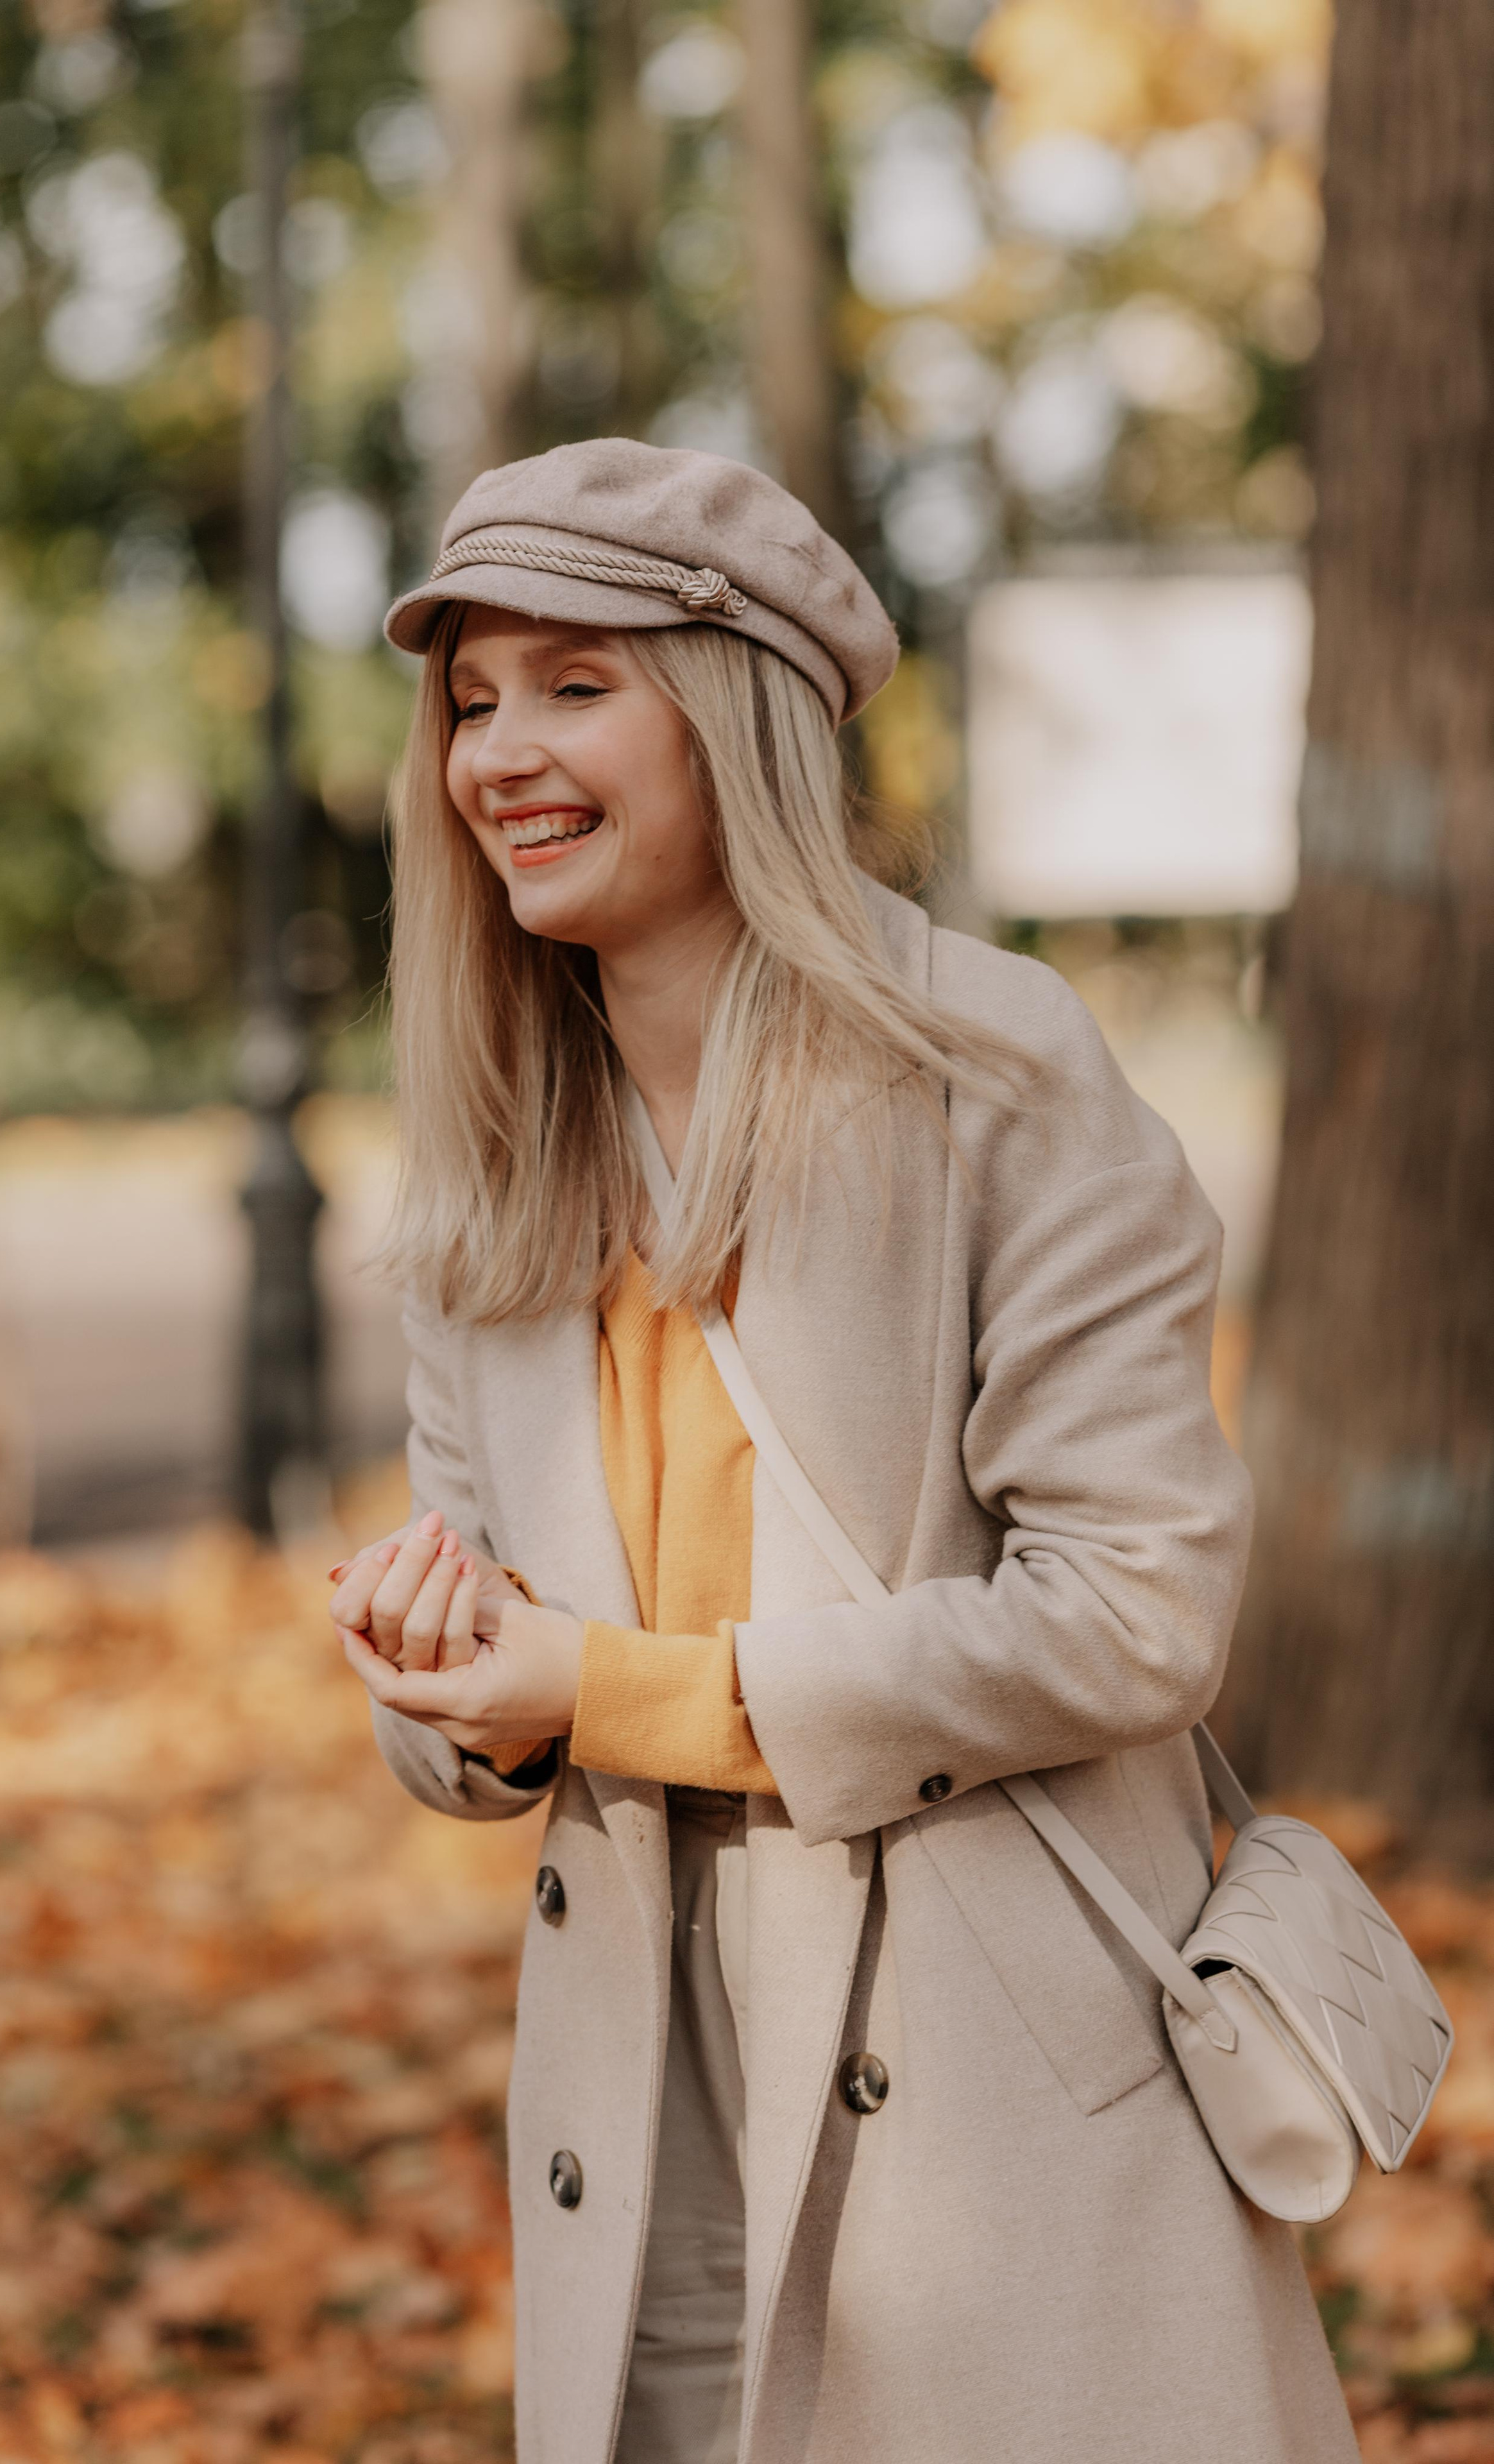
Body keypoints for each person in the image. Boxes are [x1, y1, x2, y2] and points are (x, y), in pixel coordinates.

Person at [328, 438, 1358, 2464]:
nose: (499, 753)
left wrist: (607, 1689)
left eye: (573, 682)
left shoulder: (994, 1070)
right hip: (649, 2066)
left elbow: (1137, 1615)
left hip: (991, 2071)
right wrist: (455, 1685)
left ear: (731, 715)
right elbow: (475, 1728)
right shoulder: (492, 1148)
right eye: (468, 701)